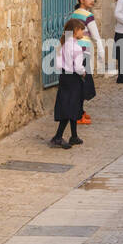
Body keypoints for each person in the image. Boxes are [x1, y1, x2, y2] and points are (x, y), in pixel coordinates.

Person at [50, 18, 86, 149]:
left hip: (64, 77)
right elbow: (78, 67)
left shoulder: (63, 44)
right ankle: (58, 137)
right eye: (82, 30)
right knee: (71, 107)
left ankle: (74, 135)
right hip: (74, 79)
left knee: (69, 105)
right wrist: (83, 72)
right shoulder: (76, 47)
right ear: (76, 31)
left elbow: (59, 64)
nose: (83, 32)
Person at [69, 0, 100, 124]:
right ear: (81, 0)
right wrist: (101, 51)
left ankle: (80, 112)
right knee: (82, 84)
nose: (92, 0)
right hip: (83, 52)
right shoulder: (88, 16)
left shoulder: (74, 14)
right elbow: (96, 36)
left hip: (73, 51)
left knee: (77, 83)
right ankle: (78, 114)